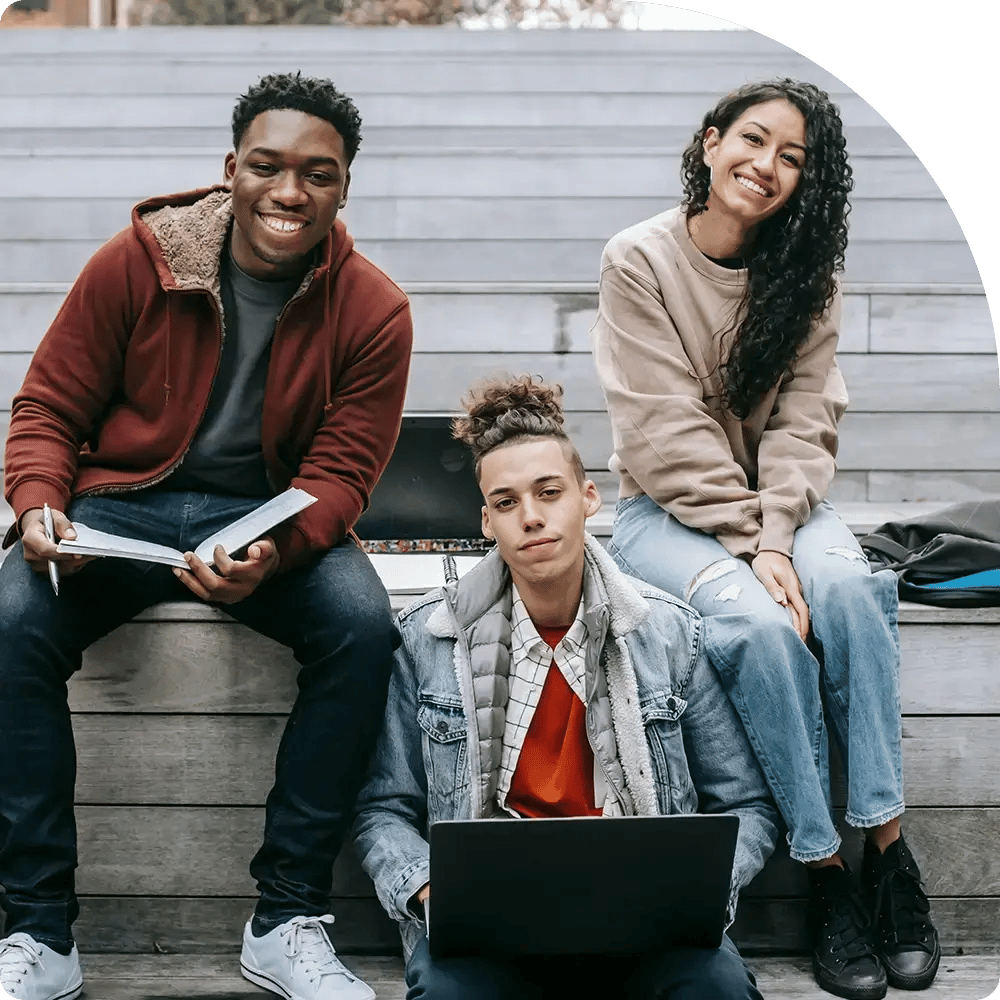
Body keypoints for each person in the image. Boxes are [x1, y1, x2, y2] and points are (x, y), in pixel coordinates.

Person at [0, 72, 412, 1000]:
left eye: (317, 173)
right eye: (267, 166)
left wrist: (280, 549)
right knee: (11, 621)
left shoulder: (376, 309)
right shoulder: (136, 262)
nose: (289, 192)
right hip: (119, 505)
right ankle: (38, 929)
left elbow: (341, 474)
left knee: (361, 622)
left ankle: (287, 918)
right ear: (231, 170)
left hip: (268, 515)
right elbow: (47, 408)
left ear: (345, 185)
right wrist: (37, 504)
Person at [590, 78, 940, 999]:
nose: (768, 167)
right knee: (756, 627)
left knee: (857, 593)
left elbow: (804, 424)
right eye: (753, 141)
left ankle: (889, 857)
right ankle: (826, 875)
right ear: (710, 144)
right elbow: (663, 436)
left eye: (794, 158)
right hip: (664, 516)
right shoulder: (638, 260)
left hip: (781, 508)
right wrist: (758, 548)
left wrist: (779, 533)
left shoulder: (807, 272)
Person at [352, 375, 780, 1000]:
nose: (530, 517)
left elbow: (747, 805)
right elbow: (382, 809)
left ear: (588, 498)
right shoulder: (429, 639)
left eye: (548, 492)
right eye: (506, 502)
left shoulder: (668, 634)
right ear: (486, 521)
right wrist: (428, 888)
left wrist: (696, 890)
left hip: (648, 929)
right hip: (488, 934)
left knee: (716, 992)